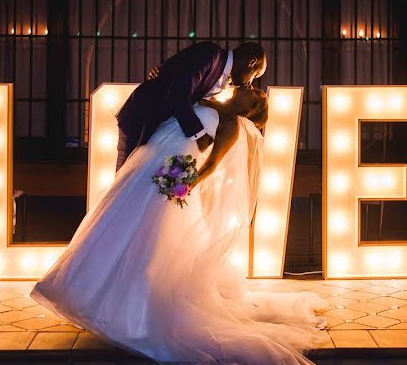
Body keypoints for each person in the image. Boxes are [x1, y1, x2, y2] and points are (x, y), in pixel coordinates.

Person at [31, 86, 328, 364]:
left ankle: (135, 313)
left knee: (151, 247)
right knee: (119, 231)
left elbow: (210, 165)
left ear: (249, 110)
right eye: (252, 88)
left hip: (169, 184)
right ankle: (98, 299)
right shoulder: (209, 96)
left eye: (253, 97)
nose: (250, 89)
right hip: (145, 167)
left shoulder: (232, 125)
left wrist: (182, 187)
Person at [114, 41, 266, 171]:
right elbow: (178, 94)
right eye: (256, 75)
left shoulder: (222, 82)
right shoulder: (211, 53)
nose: (250, 83)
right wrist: (200, 135)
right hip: (142, 120)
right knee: (124, 180)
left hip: (159, 135)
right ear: (251, 63)